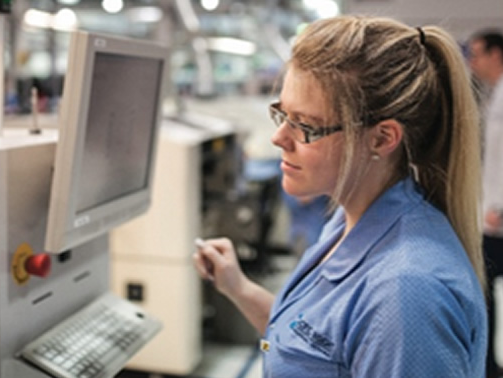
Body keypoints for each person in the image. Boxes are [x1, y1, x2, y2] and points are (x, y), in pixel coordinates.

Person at [193, 15, 487, 377]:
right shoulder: (351, 218)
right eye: (282, 114)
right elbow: (317, 346)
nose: (279, 138)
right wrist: (238, 288)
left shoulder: (406, 294)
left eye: (304, 125)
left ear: (381, 138)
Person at [468, 29, 503, 378]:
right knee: (484, 291)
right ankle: (489, 368)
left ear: (496, 54)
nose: (471, 62)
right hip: (490, 215)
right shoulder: (493, 95)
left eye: (476, 54)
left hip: (499, 216)